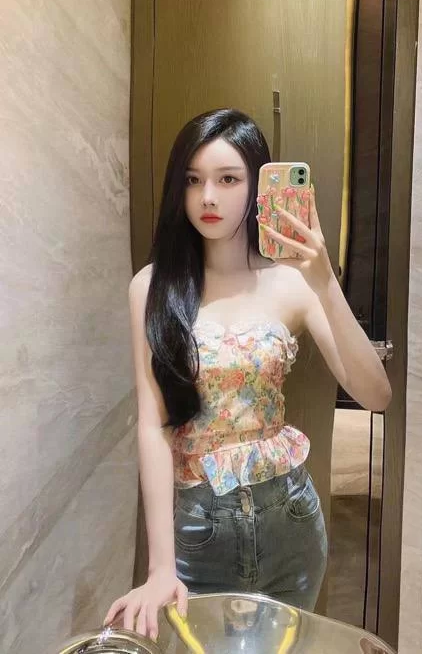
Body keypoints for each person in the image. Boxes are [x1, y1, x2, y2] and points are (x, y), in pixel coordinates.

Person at [103, 108, 392, 641]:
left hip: (291, 524)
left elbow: (375, 395)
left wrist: (325, 281)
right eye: (193, 180)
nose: (208, 197)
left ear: (258, 186)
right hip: (200, 532)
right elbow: (153, 424)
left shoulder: (292, 282)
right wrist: (160, 566)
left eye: (228, 179)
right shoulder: (152, 287)